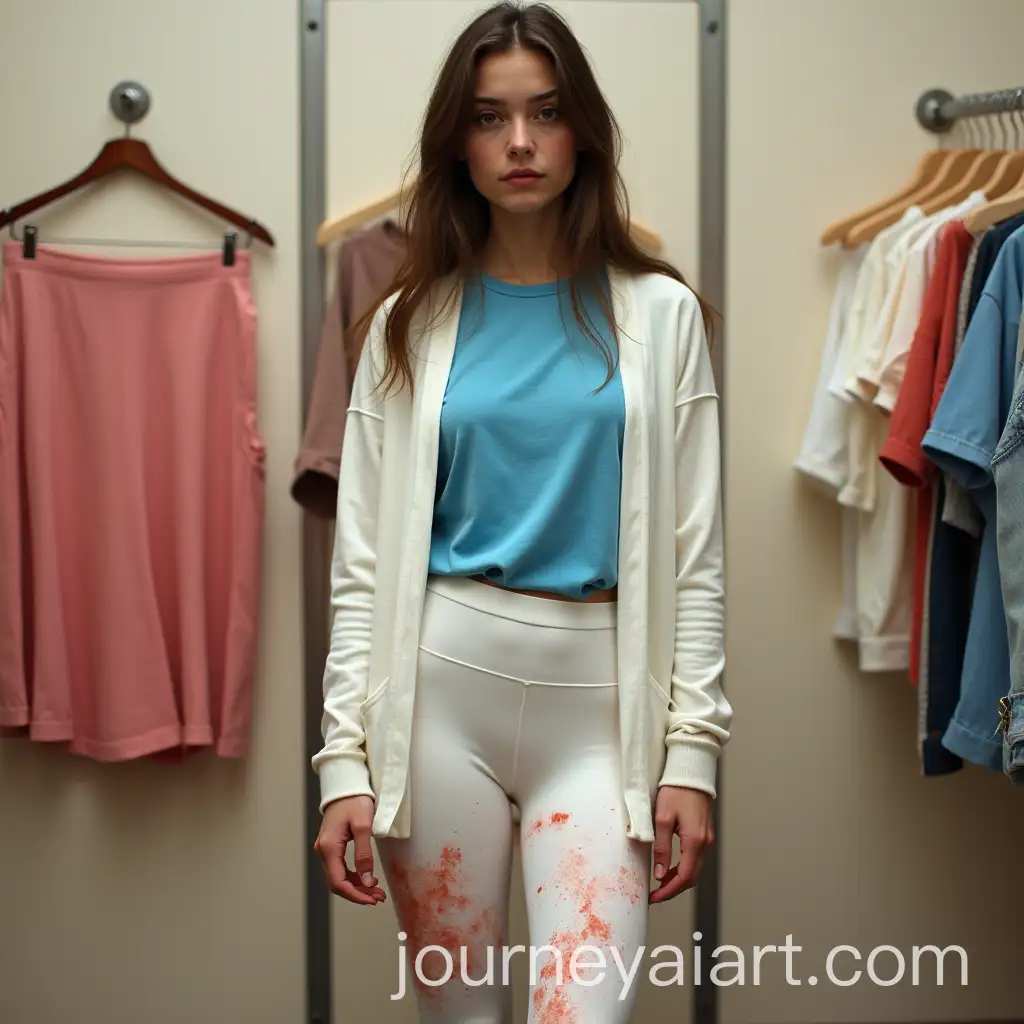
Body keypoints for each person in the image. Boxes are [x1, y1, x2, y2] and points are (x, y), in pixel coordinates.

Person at [312, 2, 732, 1020]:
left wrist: (693, 753)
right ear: (456, 141)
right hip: (436, 699)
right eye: (490, 117)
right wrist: (342, 763)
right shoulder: (406, 324)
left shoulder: (662, 315)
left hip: (602, 714)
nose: (518, 143)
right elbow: (363, 562)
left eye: (544, 113)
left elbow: (695, 561)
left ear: (579, 127)